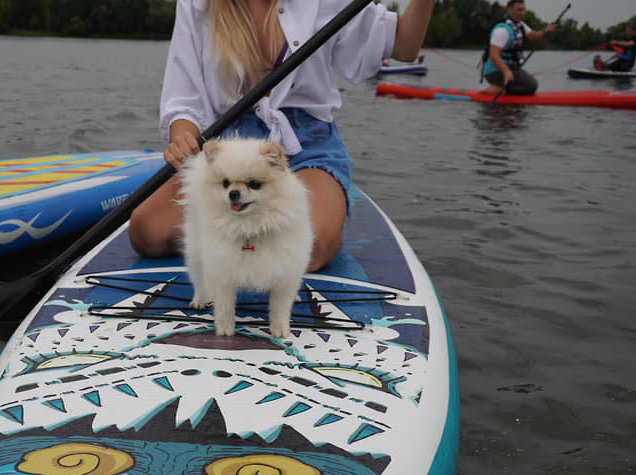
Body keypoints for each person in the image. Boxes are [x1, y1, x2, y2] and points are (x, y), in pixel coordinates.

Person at [129, 0, 435, 272]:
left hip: (305, 144)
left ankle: (233, 238)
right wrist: (183, 135)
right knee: (147, 233)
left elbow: (404, 46)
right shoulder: (197, 4)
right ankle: (256, 240)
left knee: (312, 245)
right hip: (228, 146)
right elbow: (184, 99)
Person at [480, 0, 557, 95]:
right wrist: (506, 71)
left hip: (512, 68)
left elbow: (532, 37)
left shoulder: (520, 26)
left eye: (524, 10)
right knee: (531, 86)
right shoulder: (502, 30)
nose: (522, 13)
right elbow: (494, 56)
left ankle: (501, 88)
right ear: (509, 11)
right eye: (519, 10)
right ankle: (497, 87)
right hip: (495, 71)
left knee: (530, 84)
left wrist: (545, 31)